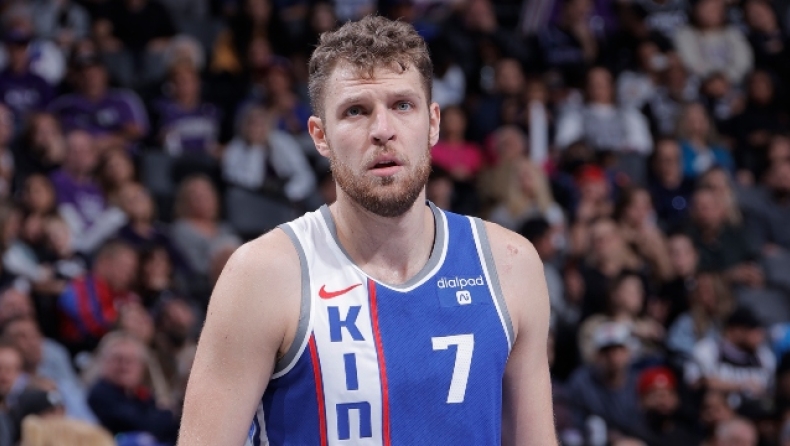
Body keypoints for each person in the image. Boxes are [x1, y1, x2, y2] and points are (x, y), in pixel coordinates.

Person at [179, 15, 556, 446]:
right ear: (320, 136)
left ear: (433, 122)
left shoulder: (510, 264)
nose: (382, 131)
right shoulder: (262, 274)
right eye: (356, 111)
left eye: (402, 105)